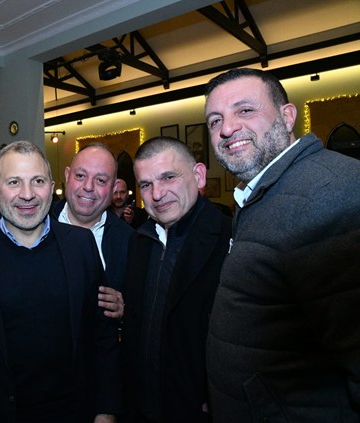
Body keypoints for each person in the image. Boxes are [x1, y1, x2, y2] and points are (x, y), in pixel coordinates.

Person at [204, 68, 360, 421]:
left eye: (245, 110)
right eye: (215, 121)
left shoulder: (331, 195)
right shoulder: (266, 193)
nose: (227, 129)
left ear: (288, 117)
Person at [0, 141, 122, 423]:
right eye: (14, 182)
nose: (27, 194)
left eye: (37, 181)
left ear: (52, 186)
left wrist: (106, 411)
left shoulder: (81, 245)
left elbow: (103, 337)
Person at [121, 137, 231, 423]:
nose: (157, 194)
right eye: (146, 184)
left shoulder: (231, 239)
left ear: (199, 175)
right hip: (141, 406)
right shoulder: (139, 241)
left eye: (168, 177)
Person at [50, 143, 133, 320]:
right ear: (67, 175)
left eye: (101, 180)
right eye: (80, 176)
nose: (88, 186)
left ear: (113, 188)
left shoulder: (130, 241)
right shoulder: (38, 223)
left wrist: (126, 310)